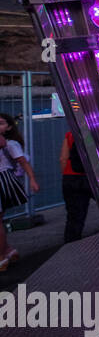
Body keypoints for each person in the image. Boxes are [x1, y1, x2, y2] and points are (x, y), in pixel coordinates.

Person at [0, 112, 41, 271]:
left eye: (2, 123)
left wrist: (32, 179)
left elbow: (23, 162)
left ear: (9, 127)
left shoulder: (9, 144)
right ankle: (8, 251)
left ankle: (2, 258)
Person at [59, 130, 93, 242]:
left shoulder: (70, 133)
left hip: (71, 177)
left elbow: (63, 159)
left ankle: (71, 245)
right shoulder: (98, 131)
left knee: (74, 217)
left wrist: (66, 175)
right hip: (94, 177)